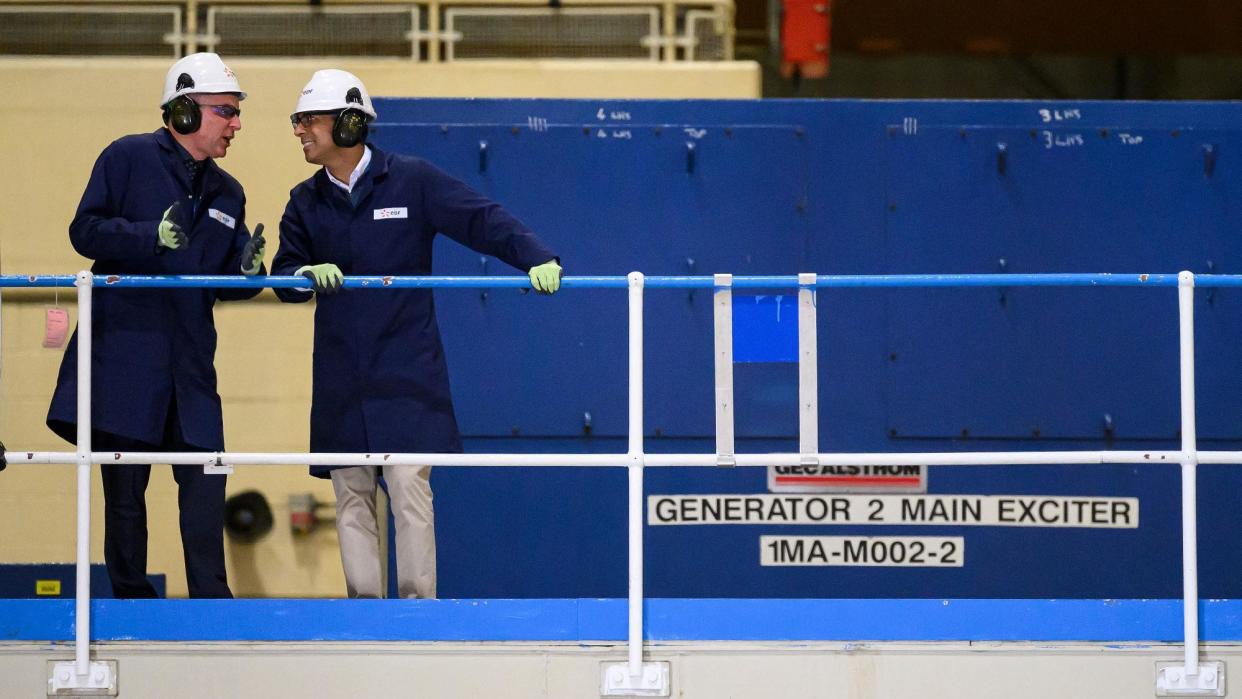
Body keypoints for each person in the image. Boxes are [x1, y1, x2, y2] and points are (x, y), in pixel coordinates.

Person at [272, 69, 562, 599]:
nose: (299, 131)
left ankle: (417, 613)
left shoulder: (412, 180)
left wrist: (536, 258)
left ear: (350, 123)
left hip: (407, 372)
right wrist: (300, 276)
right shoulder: (304, 201)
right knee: (352, 494)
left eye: (307, 120)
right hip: (341, 378)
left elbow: (483, 220)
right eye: (298, 121)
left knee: (408, 487)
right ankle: (364, 614)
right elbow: (285, 273)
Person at [46, 53, 266, 599]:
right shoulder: (127, 157)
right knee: (125, 491)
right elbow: (85, 231)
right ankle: (130, 600)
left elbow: (223, 279)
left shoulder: (228, 194)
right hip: (126, 359)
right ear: (185, 112)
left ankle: (212, 602)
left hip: (190, 368)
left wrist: (248, 272)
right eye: (226, 112)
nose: (236, 124)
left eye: (237, 113)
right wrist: (147, 236)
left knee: (206, 480)